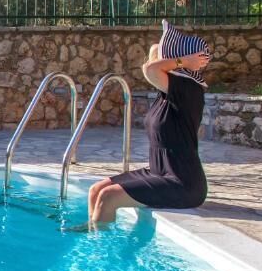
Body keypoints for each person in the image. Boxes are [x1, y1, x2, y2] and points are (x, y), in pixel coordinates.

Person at [86, 43, 211, 230]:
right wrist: (168, 56)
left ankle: (99, 250)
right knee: (95, 190)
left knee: (108, 197)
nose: (158, 61)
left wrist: (184, 60)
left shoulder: (189, 90)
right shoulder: (165, 94)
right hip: (158, 171)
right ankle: (92, 232)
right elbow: (153, 58)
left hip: (183, 182)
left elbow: (150, 69)